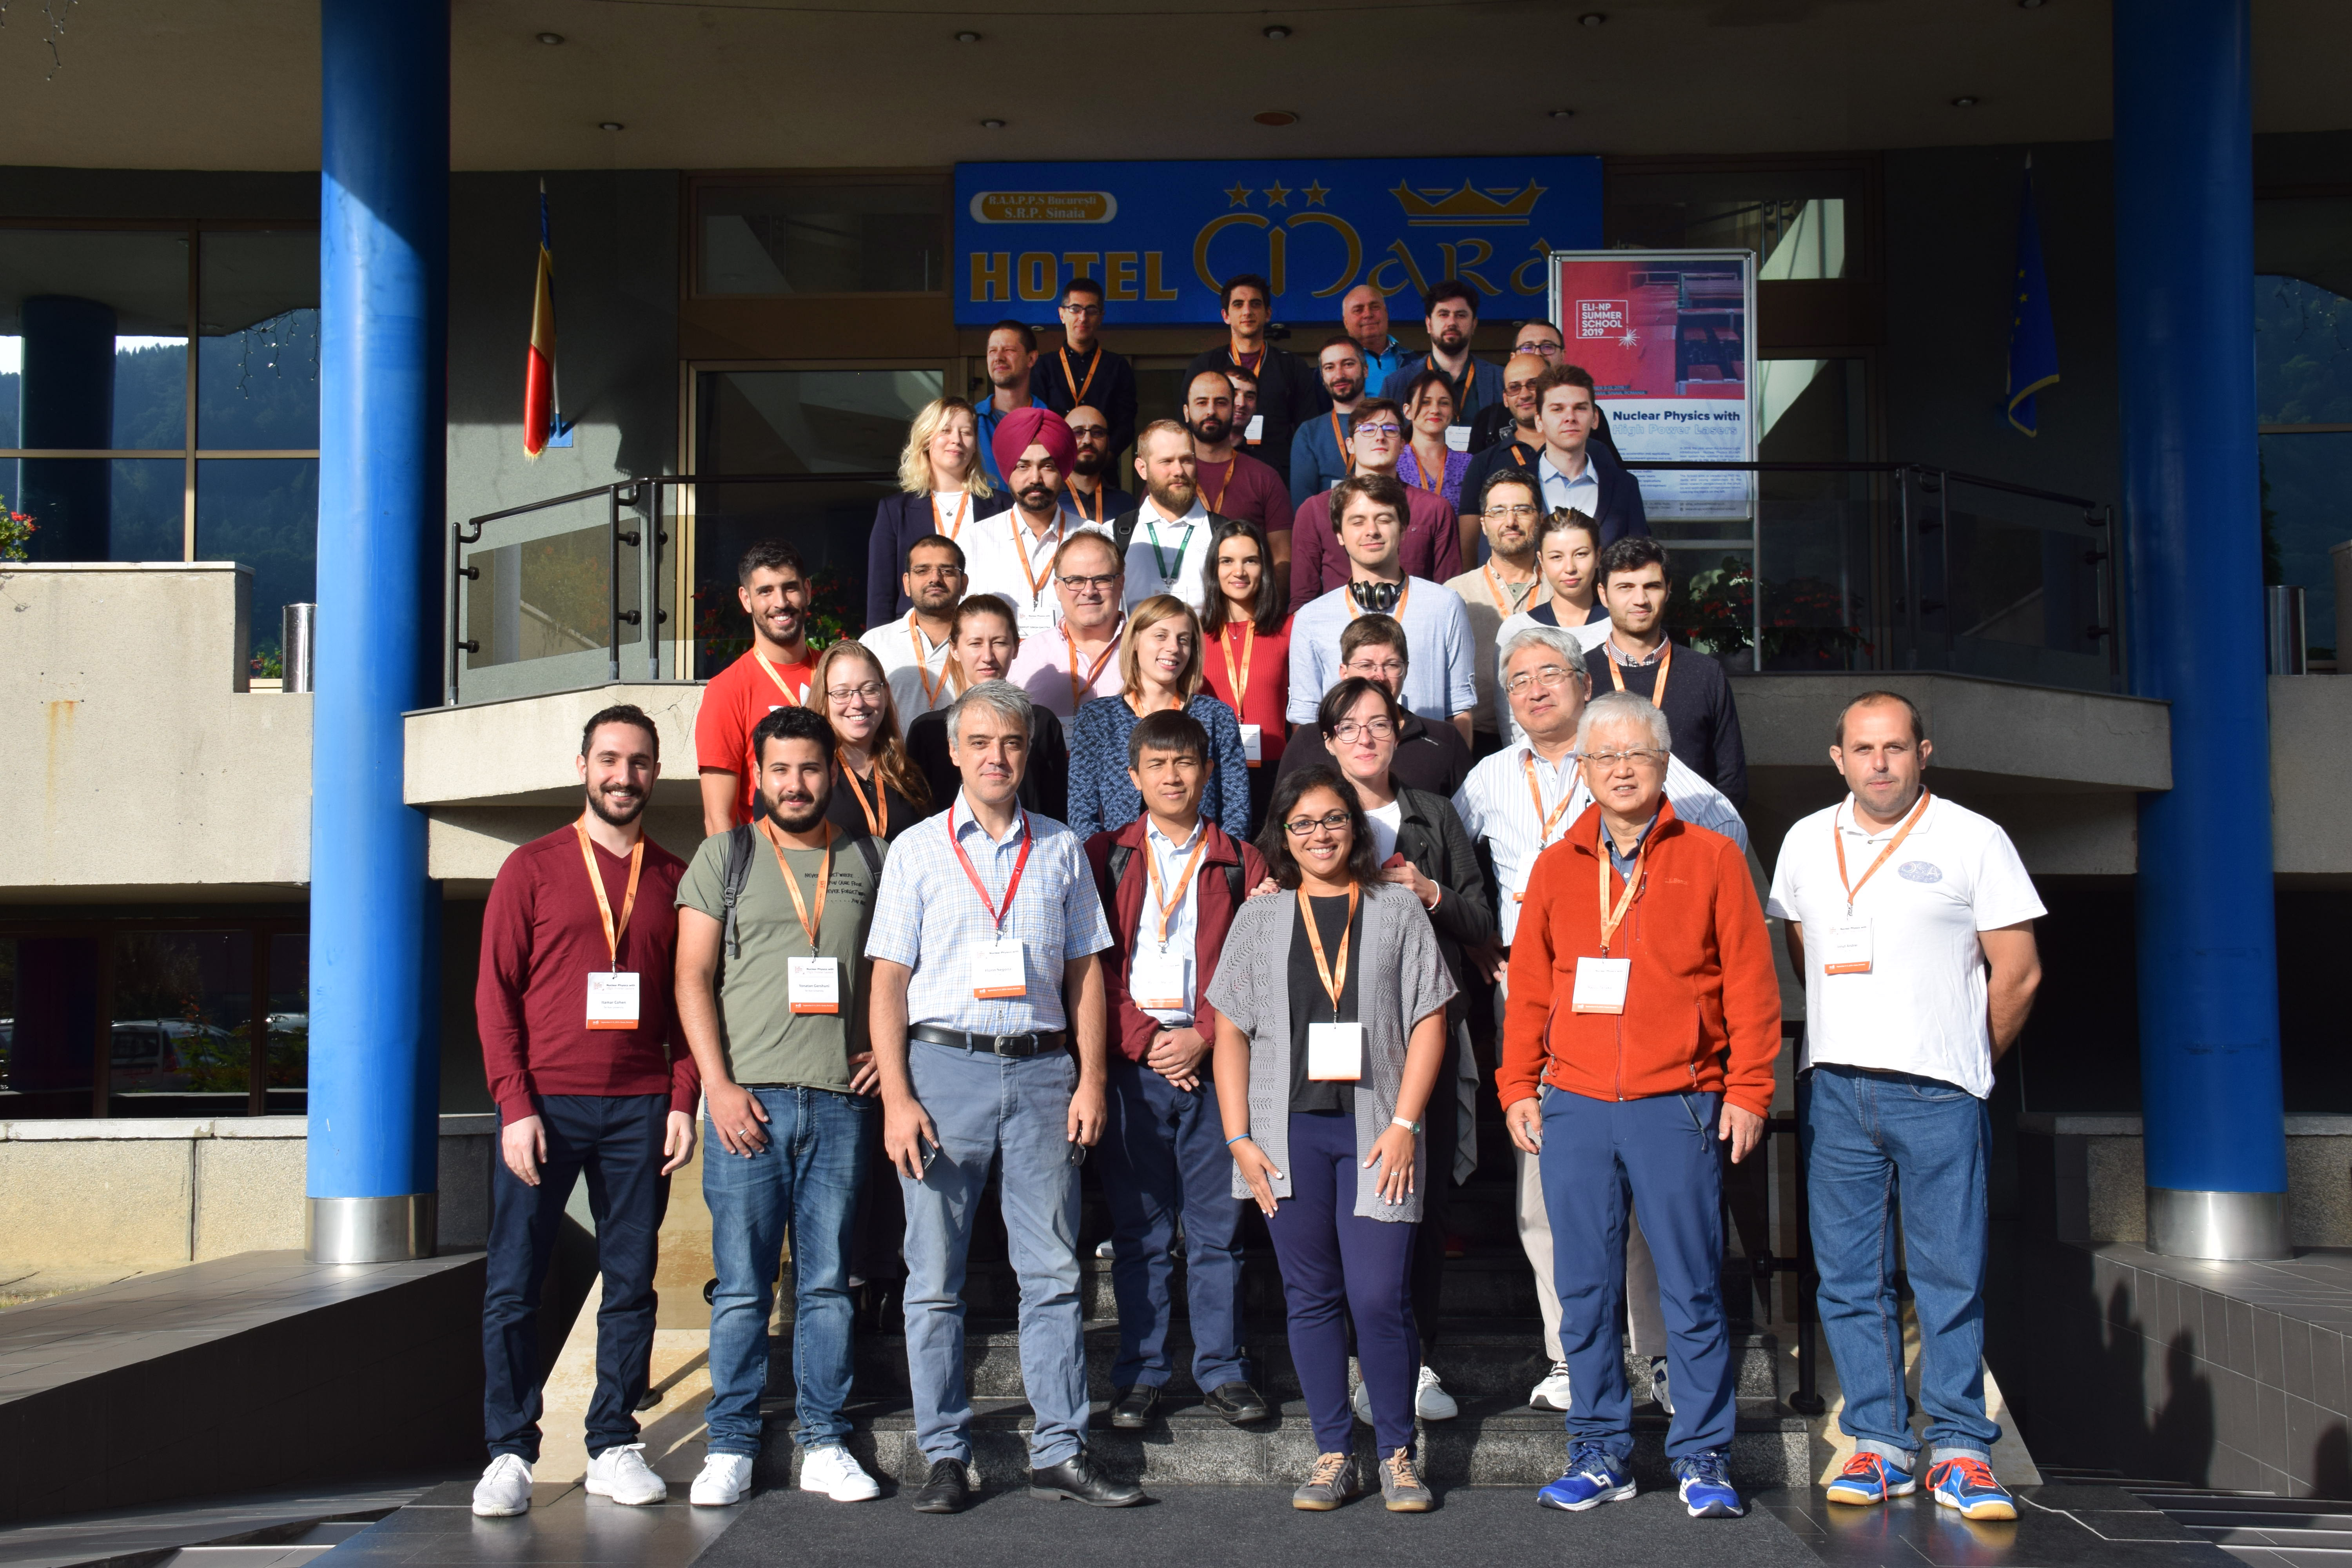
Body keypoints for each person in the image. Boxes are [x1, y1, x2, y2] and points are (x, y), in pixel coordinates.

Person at [1499, 690, 1779, 1522]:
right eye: (1605, 756)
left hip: (1677, 1101)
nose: (1621, 769)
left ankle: (1703, 1454)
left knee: (1692, 1288)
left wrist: (1749, 1089)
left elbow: (1751, 985)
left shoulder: (1713, 858)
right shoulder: (1556, 865)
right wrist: (1517, 1085)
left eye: (1638, 754)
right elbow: (1530, 990)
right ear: (1583, 770)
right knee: (1585, 1291)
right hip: (1576, 1103)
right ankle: (1599, 1452)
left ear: (1664, 763)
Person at [866, 679, 1142, 1513]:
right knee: (934, 1276)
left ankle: (1061, 1445)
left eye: (1012, 743)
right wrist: (897, 1099)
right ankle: (945, 1452)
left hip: (1042, 1073)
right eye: (980, 742)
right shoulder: (916, 849)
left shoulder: (1060, 848)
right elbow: (888, 984)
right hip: (942, 1072)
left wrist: (1092, 1077)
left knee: (1052, 1271)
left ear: (1028, 754)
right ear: (953, 752)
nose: (997, 756)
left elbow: (1086, 974)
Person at [1453, 629, 1747, 1413]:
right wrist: (1482, 941)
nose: (1535, 688)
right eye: (1519, 678)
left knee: (1654, 1203)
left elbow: (1725, 831)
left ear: (1583, 684)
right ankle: (1569, 1356)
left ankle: (1657, 1350)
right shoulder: (1488, 778)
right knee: (1546, 1195)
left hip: (1647, 998)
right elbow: (1452, 864)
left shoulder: (1633, 750)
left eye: (1551, 672)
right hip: (1538, 986)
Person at [1768, 691, 2044, 1523]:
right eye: (1863, 748)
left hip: (1939, 1093)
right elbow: (1804, 946)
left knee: (1948, 1277)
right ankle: (1880, 1443)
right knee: (1849, 1278)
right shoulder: (1805, 841)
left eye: (1895, 747)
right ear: (1838, 758)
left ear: (1924, 752)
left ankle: (1960, 1451)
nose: (1879, 762)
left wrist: (1966, 1063)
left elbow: (2019, 971)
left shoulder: (1974, 837)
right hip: (1837, 1088)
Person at [1207, 766, 1455, 1514]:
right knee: (1310, 1296)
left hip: (1380, 1132)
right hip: (1286, 1136)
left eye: (1334, 819)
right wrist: (1238, 1137)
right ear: (1283, 836)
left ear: (1356, 826)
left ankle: (1398, 1453)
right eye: (1303, 823)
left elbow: (1430, 1020)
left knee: (1379, 1296)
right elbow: (1230, 1032)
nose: (1320, 835)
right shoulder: (1260, 918)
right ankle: (1332, 1453)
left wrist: (1407, 1124)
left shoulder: (1396, 908)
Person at [472, 706, 698, 1519]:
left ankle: (613, 1441)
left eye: (638, 762)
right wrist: (514, 1104)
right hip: (546, 1106)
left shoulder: (674, 878)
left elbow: (691, 1001)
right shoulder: (529, 868)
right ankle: (509, 1450)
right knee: (514, 1281)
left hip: (641, 1106)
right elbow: (495, 995)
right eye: (609, 759)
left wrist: (682, 1098)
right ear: (583, 767)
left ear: (655, 772)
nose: (623, 776)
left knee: (631, 1281)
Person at [673, 706, 888, 1508]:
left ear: (833, 773)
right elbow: (691, 976)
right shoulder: (724, 855)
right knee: (741, 1287)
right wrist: (718, 1086)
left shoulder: (869, 856)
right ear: (757, 776)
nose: (795, 784)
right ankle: (729, 1443)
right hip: (747, 1104)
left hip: (840, 1100)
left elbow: (899, 967)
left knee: (828, 1284)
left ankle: (823, 1440)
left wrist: (887, 1050)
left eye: (810, 769)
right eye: (780, 770)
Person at [1084, 709, 1273, 1434]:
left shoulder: (1242, 861)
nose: (1172, 777)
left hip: (1216, 1065)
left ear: (1208, 771)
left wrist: (1202, 1035)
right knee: (1141, 1231)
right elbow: (1091, 964)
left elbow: (1252, 966)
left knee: (1218, 1229)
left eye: (1185, 763)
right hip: (1133, 1067)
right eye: (1157, 765)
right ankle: (1141, 1374)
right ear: (1132, 777)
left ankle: (1223, 1370)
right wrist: (1142, 1039)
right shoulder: (1105, 855)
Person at [1315, 676, 1495, 1427]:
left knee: (1419, 1201)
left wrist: (1429, 890)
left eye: (1379, 725)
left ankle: (1415, 1359)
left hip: (1424, 1030)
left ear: (1399, 736)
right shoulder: (1309, 812)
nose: (1365, 738)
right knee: (1340, 1206)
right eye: (1349, 727)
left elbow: (1482, 919)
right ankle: (1356, 1362)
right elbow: (1273, 894)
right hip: (1333, 1037)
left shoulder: (1435, 814)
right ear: (1329, 742)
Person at [1286, 473, 1477, 744]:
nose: (1372, 531)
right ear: (1339, 535)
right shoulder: (1310, 618)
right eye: (1358, 521)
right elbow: (1305, 719)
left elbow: (1460, 708)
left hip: (1428, 763)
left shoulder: (1446, 605)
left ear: (1403, 528)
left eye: (1384, 519)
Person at [1067, 594, 1250, 842]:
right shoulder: (1098, 718)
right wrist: (1106, 859)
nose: (1174, 648)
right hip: (1122, 860)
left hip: (1203, 857)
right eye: (1161, 636)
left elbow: (1237, 809)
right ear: (1135, 641)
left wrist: (1220, 859)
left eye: (1183, 639)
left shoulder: (1216, 716)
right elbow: (1081, 813)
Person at [1585, 535, 1747, 806]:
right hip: (1605, 830)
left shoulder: (1706, 674)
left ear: (1668, 590)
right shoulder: (1581, 675)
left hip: (1692, 827)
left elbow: (1731, 780)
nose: (1640, 600)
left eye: (1652, 586)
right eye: (1625, 587)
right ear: (1603, 594)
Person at [904, 595, 1071, 823]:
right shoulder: (928, 730)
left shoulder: (1042, 723)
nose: (988, 657)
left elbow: (1056, 811)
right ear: (954, 649)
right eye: (975, 644)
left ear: (1016, 647)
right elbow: (917, 817)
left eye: (999, 643)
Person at [1275, 613, 1472, 799]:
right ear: (1344, 672)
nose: (1379, 676)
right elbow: (1283, 816)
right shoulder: (1309, 740)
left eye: (1392, 665)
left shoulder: (1444, 738)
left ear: (1405, 670)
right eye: (1366, 665)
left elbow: (1466, 819)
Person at [1288, 399, 1462, 610]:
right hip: (1339, 626)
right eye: (1368, 429)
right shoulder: (1315, 510)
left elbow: (1449, 593)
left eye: (1390, 430)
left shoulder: (1435, 509)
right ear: (1350, 445)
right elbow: (1302, 602)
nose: (1380, 437)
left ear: (1402, 445)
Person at [698, 541, 818, 835]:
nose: (781, 602)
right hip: (772, 853)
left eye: (790, 588)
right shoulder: (726, 690)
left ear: (807, 590)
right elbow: (718, 819)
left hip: (843, 846)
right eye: (766, 591)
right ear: (746, 599)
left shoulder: (836, 674)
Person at [866, 397, 1009, 629]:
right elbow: (881, 595)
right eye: (946, 430)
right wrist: (879, 645)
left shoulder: (1003, 506)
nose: (957, 440)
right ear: (926, 439)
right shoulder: (895, 511)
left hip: (984, 633)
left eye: (966, 432)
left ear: (975, 445)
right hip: (914, 636)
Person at [1185, 273, 1325, 490]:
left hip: (1279, 476)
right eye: (1238, 305)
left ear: (1268, 314)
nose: (1247, 312)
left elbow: (1308, 431)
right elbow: (1186, 427)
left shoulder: (1292, 366)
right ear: (1226, 315)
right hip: (1214, 472)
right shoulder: (1205, 366)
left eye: (1255, 304)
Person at [965, 404, 1093, 639]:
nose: (1035, 478)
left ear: (1063, 472)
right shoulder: (975, 539)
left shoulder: (1094, 538)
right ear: (1008, 473)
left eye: (1048, 466)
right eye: (1023, 466)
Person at [1198, 517, 1291, 833]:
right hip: (1213, 773)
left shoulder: (1289, 629)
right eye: (1227, 561)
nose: (1239, 571)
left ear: (1264, 568)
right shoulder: (1194, 634)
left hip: (1275, 773)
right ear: (1214, 569)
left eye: (1250, 561)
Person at [1447, 471, 1549, 756]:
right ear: (1483, 524)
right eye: (1498, 512)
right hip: (1477, 741)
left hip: (1552, 737)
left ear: (1541, 519)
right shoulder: (1455, 594)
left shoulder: (1564, 591)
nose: (1510, 521)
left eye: (1522, 510)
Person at [811, 640, 929, 842]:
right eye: (842, 693)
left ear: (886, 692)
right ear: (824, 698)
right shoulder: (808, 776)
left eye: (869, 689)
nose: (858, 703)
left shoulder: (909, 774)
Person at [1005, 529, 1129, 721]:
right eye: (1076, 581)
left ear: (1120, 584)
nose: (1089, 591)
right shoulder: (1024, 657)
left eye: (1102, 580)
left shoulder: (1147, 651)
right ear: (1057, 588)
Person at [1179, 368, 1292, 559]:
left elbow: (1282, 557)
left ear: (1233, 410)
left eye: (1221, 403)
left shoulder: (1266, 477)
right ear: (1187, 412)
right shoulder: (1169, 475)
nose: (1211, 411)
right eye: (1202, 402)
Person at [1105, 420, 1216, 614]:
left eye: (1186, 460)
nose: (1179, 471)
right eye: (1167, 461)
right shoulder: (1112, 534)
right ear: (1142, 469)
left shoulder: (1222, 533)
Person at [1530, 365, 1647, 546]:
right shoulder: (1515, 485)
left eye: (1580, 408)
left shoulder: (1625, 486)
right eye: (1558, 409)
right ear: (1539, 421)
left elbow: (1642, 556)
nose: (1570, 417)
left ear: (1595, 419)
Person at [1032, 278, 1138, 461]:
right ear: (1062, 315)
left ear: (1101, 317)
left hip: (1103, 468)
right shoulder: (1043, 366)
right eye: (1075, 309)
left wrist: (1104, 460)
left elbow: (1126, 425)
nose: (1083, 317)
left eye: (1091, 310)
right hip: (1055, 465)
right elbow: (1037, 422)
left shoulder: (1118, 366)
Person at [864, 533, 965, 722]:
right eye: (922, 571)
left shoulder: (981, 645)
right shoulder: (874, 643)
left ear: (964, 583)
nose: (935, 578)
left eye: (947, 571)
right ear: (907, 584)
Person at [1379, 279, 1500, 430]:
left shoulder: (1500, 380)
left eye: (1461, 315)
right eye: (1443, 315)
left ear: (1474, 324)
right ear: (1429, 324)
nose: (1452, 323)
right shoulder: (1395, 384)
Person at [1459, 353, 1553, 520]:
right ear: (1505, 399)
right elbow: (1470, 535)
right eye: (1514, 388)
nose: (1524, 395)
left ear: (1552, 388)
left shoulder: (1582, 451)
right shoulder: (1483, 463)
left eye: (1534, 384)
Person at [1288, 336, 1368, 510]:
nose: (1339, 375)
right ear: (1323, 377)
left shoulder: (1388, 424)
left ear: (1365, 370)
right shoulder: (1309, 433)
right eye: (1330, 368)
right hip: (1326, 524)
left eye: (1348, 364)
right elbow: (1303, 507)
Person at [973, 320, 1040, 488]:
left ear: (1031, 359)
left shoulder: (1053, 419)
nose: (999, 358)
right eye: (992, 351)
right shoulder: (970, 421)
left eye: (1009, 350)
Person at [1397, 370, 1473, 516]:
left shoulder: (1469, 465)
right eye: (1425, 402)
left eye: (1444, 403)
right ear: (1407, 411)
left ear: (1453, 411)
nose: (1435, 410)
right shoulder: (1394, 462)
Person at [1062, 403, 1137, 530]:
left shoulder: (1127, 504)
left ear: (1108, 441)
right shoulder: (1049, 501)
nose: (1088, 440)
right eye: (1078, 433)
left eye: (1097, 433)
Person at [1341, 283, 1409, 396]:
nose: (1368, 314)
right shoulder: (1330, 369)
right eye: (1358, 310)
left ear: (1386, 313)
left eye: (1375, 307)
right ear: (1345, 321)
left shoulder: (1414, 361)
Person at [1225, 364, 1261, 451]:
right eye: (1233, 394)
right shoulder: (1194, 455)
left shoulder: (1262, 459)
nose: (1242, 404)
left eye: (1250, 397)